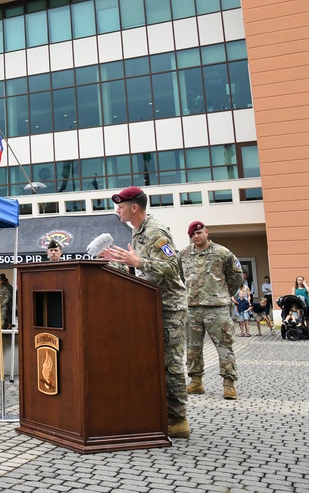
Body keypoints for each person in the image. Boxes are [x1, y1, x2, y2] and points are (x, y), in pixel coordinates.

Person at [102, 186, 190, 439]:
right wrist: (124, 262)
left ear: (134, 207)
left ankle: (178, 420)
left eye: (120, 206)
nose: (117, 210)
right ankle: (160, 413)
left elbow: (173, 268)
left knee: (171, 363)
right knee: (156, 361)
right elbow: (145, 273)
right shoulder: (138, 233)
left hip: (169, 306)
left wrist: (138, 262)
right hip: (150, 304)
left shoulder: (155, 232)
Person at [177, 220, 241, 400]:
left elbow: (235, 276)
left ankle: (229, 384)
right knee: (192, 347)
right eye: (193, 235)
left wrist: (224, 293)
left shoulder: (222, 253)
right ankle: (196, 382)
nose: (196, 237)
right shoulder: (183, 254)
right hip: (192, 308)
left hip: (217, 309)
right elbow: (181, 275)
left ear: (207, 233)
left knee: (224, 346)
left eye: (199, 233)